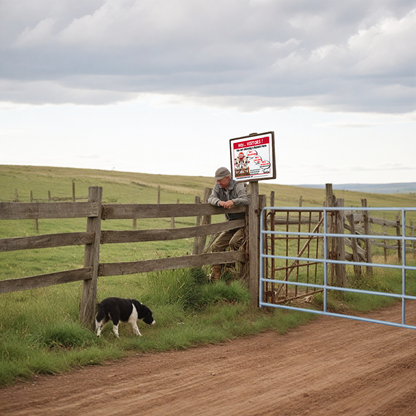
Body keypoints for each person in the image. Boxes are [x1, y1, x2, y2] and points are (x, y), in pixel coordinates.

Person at [207, 167, 250, 281]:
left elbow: (246, 200)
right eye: (217, 180)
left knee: (234, 243)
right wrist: (219, 202)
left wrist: (233, 201)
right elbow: (211, 198)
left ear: (228, 177)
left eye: (220, 180)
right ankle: (216, 278)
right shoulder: (218, 187)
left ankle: (231, 273)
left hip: (243, 224)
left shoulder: (238, 185)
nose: (218, 182)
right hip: (230, 225)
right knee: (216, 246)